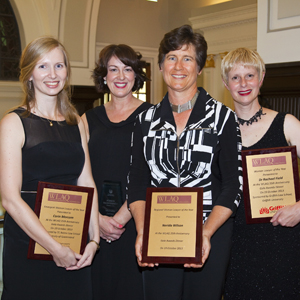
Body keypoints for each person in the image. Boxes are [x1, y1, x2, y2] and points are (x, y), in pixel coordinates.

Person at [127, 24, 243, 300]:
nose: (178, 66)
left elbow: (232, 187)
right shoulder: (145, 121)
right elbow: (137, 184)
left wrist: (204, 233)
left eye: (187, 58)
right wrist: (143, 232)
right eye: (171, 57)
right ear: (160, 65)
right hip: (159, 235)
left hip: (209, 237)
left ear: (200, 67)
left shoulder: (223, 118)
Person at [0, 36, 100, 300]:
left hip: (73, 239)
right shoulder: (13, 123)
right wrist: (54, 248)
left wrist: (94, 239)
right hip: (28, 243)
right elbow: (10, 199)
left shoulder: (77, 122)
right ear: (29, 74)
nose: (52, 74)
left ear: (67, 71)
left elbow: (87, 181)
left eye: (59, 65)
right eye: (43, 66)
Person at [221, 47, 300, 299]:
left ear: (261, 78)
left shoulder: (286, 124)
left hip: (282, 242)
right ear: (225, 83)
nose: (243, 83)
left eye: (250, 75)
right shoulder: (217, 132)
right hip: (234, 246)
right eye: (235, 77)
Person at [81, 44, 152, 300]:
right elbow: (79, 173)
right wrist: (96, 218)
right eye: (113, 69)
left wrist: (121, 218)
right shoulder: (87, 119)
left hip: (135, 223)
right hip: (94, 225)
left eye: (127, 69)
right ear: (104, 76)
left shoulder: (153, 116)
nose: (120, 77)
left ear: (136, 76)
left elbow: (154, 174)